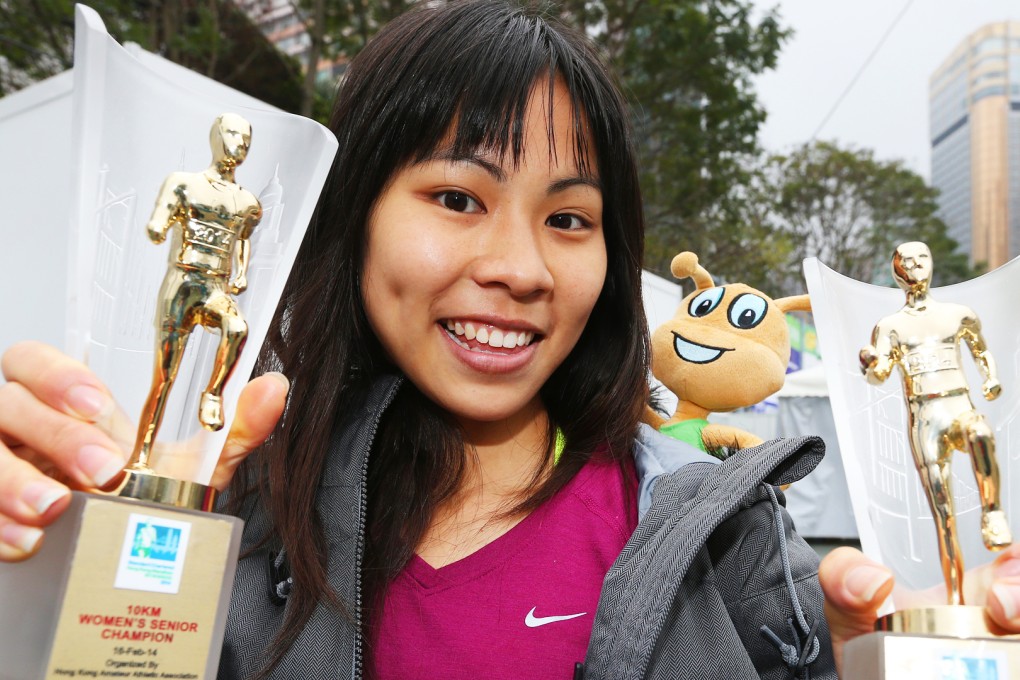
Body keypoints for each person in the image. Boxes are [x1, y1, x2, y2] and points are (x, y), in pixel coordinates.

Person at [0, 2, 1018, 679]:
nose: (521, 266)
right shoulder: (229, 509)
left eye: (569, 218)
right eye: (456, 195)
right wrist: (36, 579)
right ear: (353, 221)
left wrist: (878, 650)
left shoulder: (725, 531)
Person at [861, 241, 1012, 605]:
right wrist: (869, 364)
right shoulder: (890, 326)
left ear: (932, 263)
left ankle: (993, 513)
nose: (915, 266)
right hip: (924, 417)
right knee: (944, 519)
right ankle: (956, 599)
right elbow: (880, 372)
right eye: (906, 261)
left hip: (958, 404)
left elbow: (981, 349)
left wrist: (989, 377)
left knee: (980, 432)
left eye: (922, 258)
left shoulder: (958, 314)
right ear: (897, 270)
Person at [134, 112, 262, 470]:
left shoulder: (247, 202)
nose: (239, 146)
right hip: (182, 284)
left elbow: (243, 240)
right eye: (233, 136)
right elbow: (162, 216)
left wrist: (240, 273)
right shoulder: (184, 183)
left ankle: (213, 394)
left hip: (213, 287)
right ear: (217, 137)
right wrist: (159, 226)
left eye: (246, 141)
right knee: (165, 378)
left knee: (237, 328)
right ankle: (141, 453)